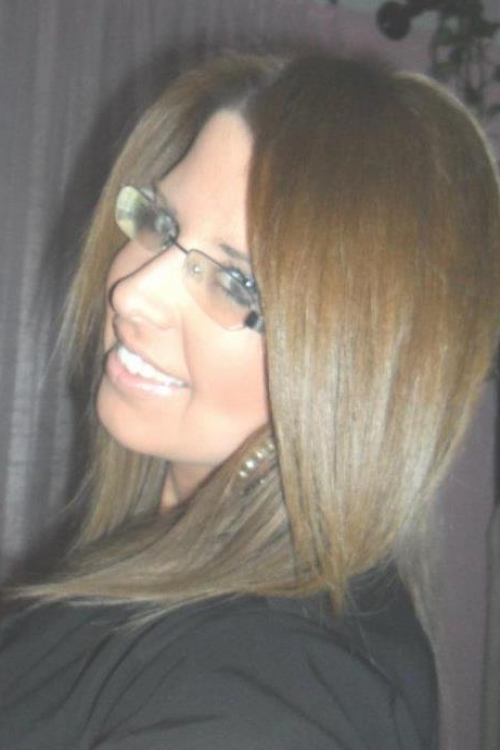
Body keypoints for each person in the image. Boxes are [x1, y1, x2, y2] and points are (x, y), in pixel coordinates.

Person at [0, 52, 499, 750]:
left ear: (354, 369)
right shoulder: (171, 557)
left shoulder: (270, 688)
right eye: (161, 223)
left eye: (237, 284)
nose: (132, 292)